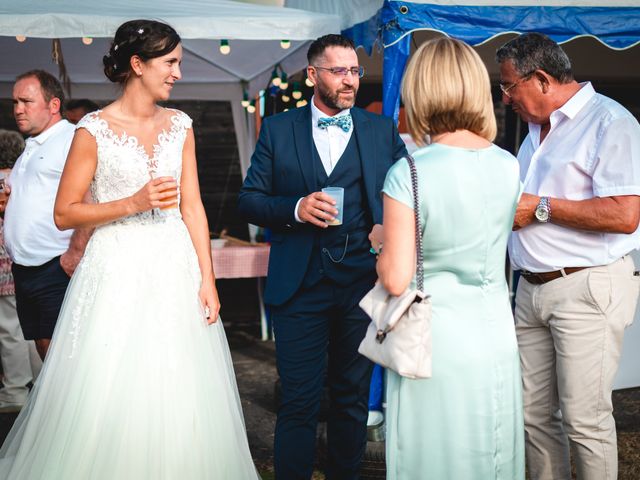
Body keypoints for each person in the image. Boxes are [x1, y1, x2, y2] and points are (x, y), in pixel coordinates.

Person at [0, 20, 258, 479]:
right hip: (115, 269)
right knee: (114, 379)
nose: (178, 73)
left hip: (175, 267)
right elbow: (65, 213)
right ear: (137, 65)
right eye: (170, 62)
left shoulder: (181, 125)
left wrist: (208, 279)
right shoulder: (93, 131)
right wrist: (132, 202)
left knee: (179, 379)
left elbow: (194, 208)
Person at [238, 34, 406, 479]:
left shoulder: (380, 131)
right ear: (313, 75)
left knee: (350, 397)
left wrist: (389, 227)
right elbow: (250, 199)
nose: (350, 80)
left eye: (354, 71)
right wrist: (294, 207)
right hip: (299, 286)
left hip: (360, 283)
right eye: (339, 71)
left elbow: (409, 194)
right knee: (299, 400)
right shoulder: (278, 129)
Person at [369, 37, 525, 479]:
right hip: (495, 332)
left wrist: (381, 241)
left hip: (433, 342)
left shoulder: (410, 172)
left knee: (435, 457)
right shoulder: (508, 164)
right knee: (490, 450)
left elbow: (396, 279)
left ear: (421, 90)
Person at [496, 32, 640, 480]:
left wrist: (540, 206)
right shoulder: (536, 130)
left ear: (540, 79)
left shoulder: (611, 123)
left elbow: (625, 214)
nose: (505, 97)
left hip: (585, 287)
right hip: (531, 290)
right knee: (533, 417)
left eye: (508, 86)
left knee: (585, 421)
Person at [3, 70, 92, 361]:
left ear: (53, 105)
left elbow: (92, 196)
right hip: (26, 267)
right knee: (44, 348)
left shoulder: (71, 139)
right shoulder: (31, 145)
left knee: (62, 355)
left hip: (56, 264)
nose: (18, 109)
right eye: (15, 102)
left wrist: (75, 252)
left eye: (26, 101)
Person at [0, 129, 42, 413]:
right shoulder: (22, 176)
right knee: (31, 327)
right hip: (25, 255)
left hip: (4, 260)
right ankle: (40, 386)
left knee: (8, 328)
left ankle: (15, 390)